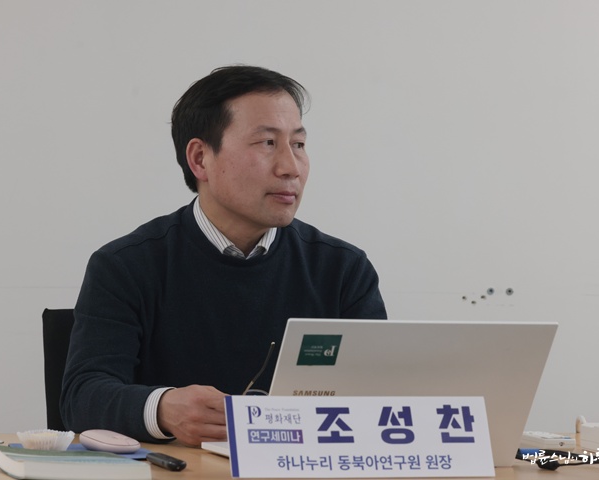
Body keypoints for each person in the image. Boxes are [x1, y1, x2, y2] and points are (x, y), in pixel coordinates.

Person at [60, 65, 387, 447]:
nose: (291, 167)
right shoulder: (126, 266)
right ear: (200, 159)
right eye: (267, 143)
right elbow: (82, 396)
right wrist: (162, 408)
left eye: (298, 144)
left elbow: (381, 397)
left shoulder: (343, 270)